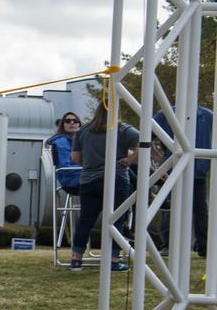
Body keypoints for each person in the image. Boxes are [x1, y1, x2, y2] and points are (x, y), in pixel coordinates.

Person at [69, 100, 137, 272]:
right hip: (116, 179)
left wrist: (90, 162)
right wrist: (130, 159)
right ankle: (113, 261)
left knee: (86, 220)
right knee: (117, 221)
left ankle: (76, 260)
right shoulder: (123, 129)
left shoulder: (84, 130)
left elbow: (75, 157)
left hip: (89, 181)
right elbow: (146, 143)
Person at [151, 105, 212, 257]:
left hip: (198, 171)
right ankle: (169, 245)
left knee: (200, 210)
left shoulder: (207, 116)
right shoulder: (165, 114)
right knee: (172, 208)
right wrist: (160, 158)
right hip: (176, 170)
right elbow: (145, 136)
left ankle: (204, 246)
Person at [47, 114, 82, 196]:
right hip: (71, 181)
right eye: (68, 121)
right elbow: (65, 168)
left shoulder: (83, 140)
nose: (72, 123)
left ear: (79, 124)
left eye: (75, 121)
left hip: (84, 177)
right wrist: (88, 169)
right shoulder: (60, 142)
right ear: (63, 125)